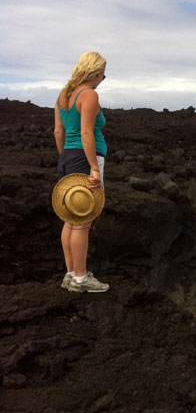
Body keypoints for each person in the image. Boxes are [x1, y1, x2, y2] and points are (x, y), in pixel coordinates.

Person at [54, 51, 109, 292]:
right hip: (85, 159)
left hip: (67, 157)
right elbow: (87, 134)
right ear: (95, 72)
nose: (103, 79)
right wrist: (94, 168)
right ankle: (81, 278)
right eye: (103, 75)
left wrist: (65, 157)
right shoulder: (89, 95)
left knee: (70, 220)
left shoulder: (63, 94)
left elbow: (58, 132)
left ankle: (70, 274)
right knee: (82, 223)